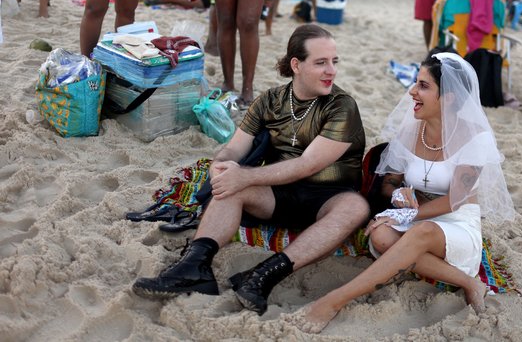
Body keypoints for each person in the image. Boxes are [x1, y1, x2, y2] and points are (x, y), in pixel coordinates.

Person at [132, 25, 370, 317]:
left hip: (328, 198)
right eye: (321, 62)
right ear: (296, 65)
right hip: (279, 193)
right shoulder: (269, 100)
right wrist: (222, 166)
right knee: (231, 183)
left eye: (334, 61)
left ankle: (260, 276)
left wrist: (243, 175)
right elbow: (234, 149)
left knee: (356, 207)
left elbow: (307, 165)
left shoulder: (341, 105)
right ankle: (194, 266)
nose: (331, 70)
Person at [284, 51, 515, 334]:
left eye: (423, 86)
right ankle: (468, 282)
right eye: (416, 82)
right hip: (419, 215)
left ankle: (334, 300)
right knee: (381, 235)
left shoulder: (474, 138)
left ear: (449, 98)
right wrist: (399, 196)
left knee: (419, 233)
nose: (412, 91)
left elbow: (456, 199)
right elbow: (389, 182)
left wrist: (408, 213)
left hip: (457, 221)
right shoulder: (412, 130)